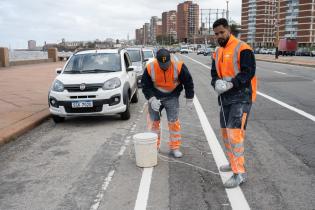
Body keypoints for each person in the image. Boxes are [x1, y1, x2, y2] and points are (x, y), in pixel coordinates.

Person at [210, 18, 257, 188]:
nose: (219, 36)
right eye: (216, 34)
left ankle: (240, 173)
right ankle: (232, 163)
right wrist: (216, 83)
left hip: (241, 97)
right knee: (225, 133)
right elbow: (214, 73)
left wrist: (231, 83)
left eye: (222, 32)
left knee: (234, 135)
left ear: (228, 30)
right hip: (225, 98)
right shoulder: (217, 51)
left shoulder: (242, 48)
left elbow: (248, 72)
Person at [141, 48, 194, 158]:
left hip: (172, 97)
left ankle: (175, 147)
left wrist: (189, 99)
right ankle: (153, 147)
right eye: (162, 64)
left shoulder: (179, 67)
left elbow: (188, 82)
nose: (164, 67)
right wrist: (151, 99)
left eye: (166, 64)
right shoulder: (150, 67)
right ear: (157, 61)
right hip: (156, 97)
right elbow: (145, 85)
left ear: (170, 60)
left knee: (173, 122)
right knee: (153, 123)